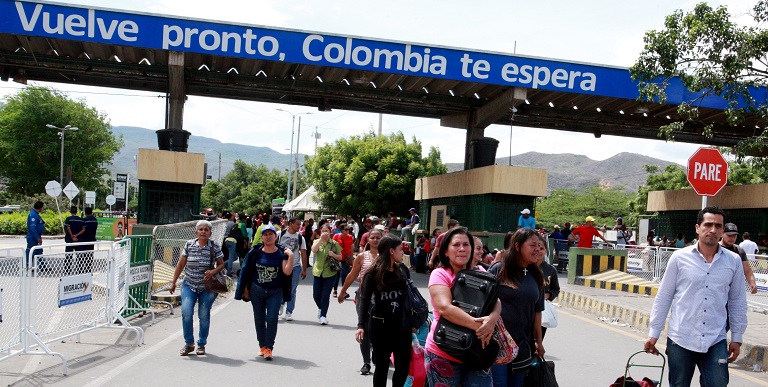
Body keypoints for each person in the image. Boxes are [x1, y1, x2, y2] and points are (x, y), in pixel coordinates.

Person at [645, 207, 747, 387]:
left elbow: (737, 300)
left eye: (718, 226)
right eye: (708, 224)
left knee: (718, 383)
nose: (713, 230)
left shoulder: (733, 261)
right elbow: (664, 296)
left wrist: (737, 336)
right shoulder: (679, 258)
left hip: (716, 338)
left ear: (723, 230)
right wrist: (654, 332)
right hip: (681, 337)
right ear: (698, 228)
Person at [424, 227, 500, 387]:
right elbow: (445, 308)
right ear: (445, 251)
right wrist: (480, 327)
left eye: (466, 245)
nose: (462, 249)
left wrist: (492, 320)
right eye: (456, 245)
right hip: (444, 350)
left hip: (477, 351)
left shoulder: (480, 270)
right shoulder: (440, 274)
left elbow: (496, 301)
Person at [488, 228, 545, 387]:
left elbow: (537, 312)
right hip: (496, 345)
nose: (537, 250)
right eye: (532, 245)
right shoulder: (498, 270)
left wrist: (538, 342)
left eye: (539, 246)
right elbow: (483, 302)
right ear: (518, 246)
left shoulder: (536, 276)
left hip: (522, 347)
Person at [356, 234, 411, 387]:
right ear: (391, 251)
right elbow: (365, 300)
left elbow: (409, 298)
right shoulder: (372, 273)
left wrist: (413, 320)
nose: (403, 253)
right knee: (382, 367)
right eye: (400, 249)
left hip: (402, 326)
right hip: (380, 326)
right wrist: (360, 326)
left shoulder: (402, 270)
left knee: (402, 367)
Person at [234, 224, 293, 360]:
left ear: (275, 237)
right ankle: (262, 346)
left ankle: (269, 347)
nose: (268, 237)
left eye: (270, 234)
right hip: (257, 290)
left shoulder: (282, 252)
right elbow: (246, 272)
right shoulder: (255, 252)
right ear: (261, 237)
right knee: (259, 319)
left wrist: (290, 256)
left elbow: (287, 271)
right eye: (265, 234)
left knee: (272, 319)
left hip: (275, 291)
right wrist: (245, 289)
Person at [170, 220, 226, 356]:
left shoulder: (215, 246)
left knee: (203, 314)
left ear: (210, 233)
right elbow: (180, 264)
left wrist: (213, 272)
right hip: (189, 284)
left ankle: (201, 344)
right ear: (196, 232)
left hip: (208, 287)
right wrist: (173, 282)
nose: (203, 231)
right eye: (200, 229)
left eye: (206, 230)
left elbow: (221, 264)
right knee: (186, 312)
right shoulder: (189, 245)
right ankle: (189, 343)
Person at [339, 228, 384, 375]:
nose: (375, 240)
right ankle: (366, 362)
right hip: (364, 297)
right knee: (363, 328)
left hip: (382, 300)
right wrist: (342, 291)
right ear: (368, 240)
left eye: (378, 237)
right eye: (373, 237)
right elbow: (352, 275)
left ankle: (377, 354)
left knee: (378, 330)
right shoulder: (362, 257)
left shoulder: (386, 256)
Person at [311, 224, 343, 325]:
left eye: (327, 231)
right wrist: (320, 239)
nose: (325, 232)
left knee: (325, 295)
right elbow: (313, 250)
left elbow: (340, 257)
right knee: (316, 295)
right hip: (318, 272)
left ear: (330, 232)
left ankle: (323, 316)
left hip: (330, 273)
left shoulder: (334, 244)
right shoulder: (317, 242)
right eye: (323, 231)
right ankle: (320, 308)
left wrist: (333, 254)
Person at [278, 217, 308, 321]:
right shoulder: (280, 234)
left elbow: (303, 253)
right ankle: (281, 303)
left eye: (300, 225)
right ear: (290, 224)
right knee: (280, 288)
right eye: (297, 224)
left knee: (292, 290)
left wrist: (304, 269)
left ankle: (289, 312)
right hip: (281, 266)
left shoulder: (300, 238)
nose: (299, 226)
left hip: (295, 266)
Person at [720, 223, 758, 295]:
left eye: (734, 235)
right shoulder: (714, 249)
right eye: (729, 235)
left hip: (735, 290)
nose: (732, 238)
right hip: (718, 290)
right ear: (722, 234)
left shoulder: (739, 251)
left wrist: (752, 283)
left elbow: (747, 270)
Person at [537, 234, 560, 339]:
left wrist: (548, 295)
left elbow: (556, 289)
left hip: (542, 310)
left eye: (542, 248)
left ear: (546, 250)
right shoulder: (525, 267)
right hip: (525, 309)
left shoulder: (551, 270)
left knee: (539, 337)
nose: (538, 251)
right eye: (536, 247)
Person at [333, 223, 355, 299]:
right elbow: (333, 246)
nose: (348, 231)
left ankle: (343, 291)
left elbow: (351, 248)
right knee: (337, 274)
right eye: (346, 229)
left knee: (344, 274)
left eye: (349, 229)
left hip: (346, 259)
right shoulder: (336, 236)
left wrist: (351, 259)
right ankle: (335, 290)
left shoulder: (350, 237)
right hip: (338, 258)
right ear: (341, 230)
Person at [64, 206, 85, 274]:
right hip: (79, 240)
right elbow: (83, 229)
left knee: (68, 255)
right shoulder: (81, 220)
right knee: (79, 256)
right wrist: (76, 235)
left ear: (70, 211)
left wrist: (72, 236)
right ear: (76, 212)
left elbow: (68, 227)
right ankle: (79, 270)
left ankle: (67, 270)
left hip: (70, 240)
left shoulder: (68, 219)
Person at [26, 201, 45, 265]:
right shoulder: (33, 215)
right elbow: (33, 228)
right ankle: (28, 264)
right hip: (33, 236)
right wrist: (37, 237)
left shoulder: (36, 215)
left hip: (37, 235)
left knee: (39, 250)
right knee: (31, 250)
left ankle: (42, 265)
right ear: (40, 208)